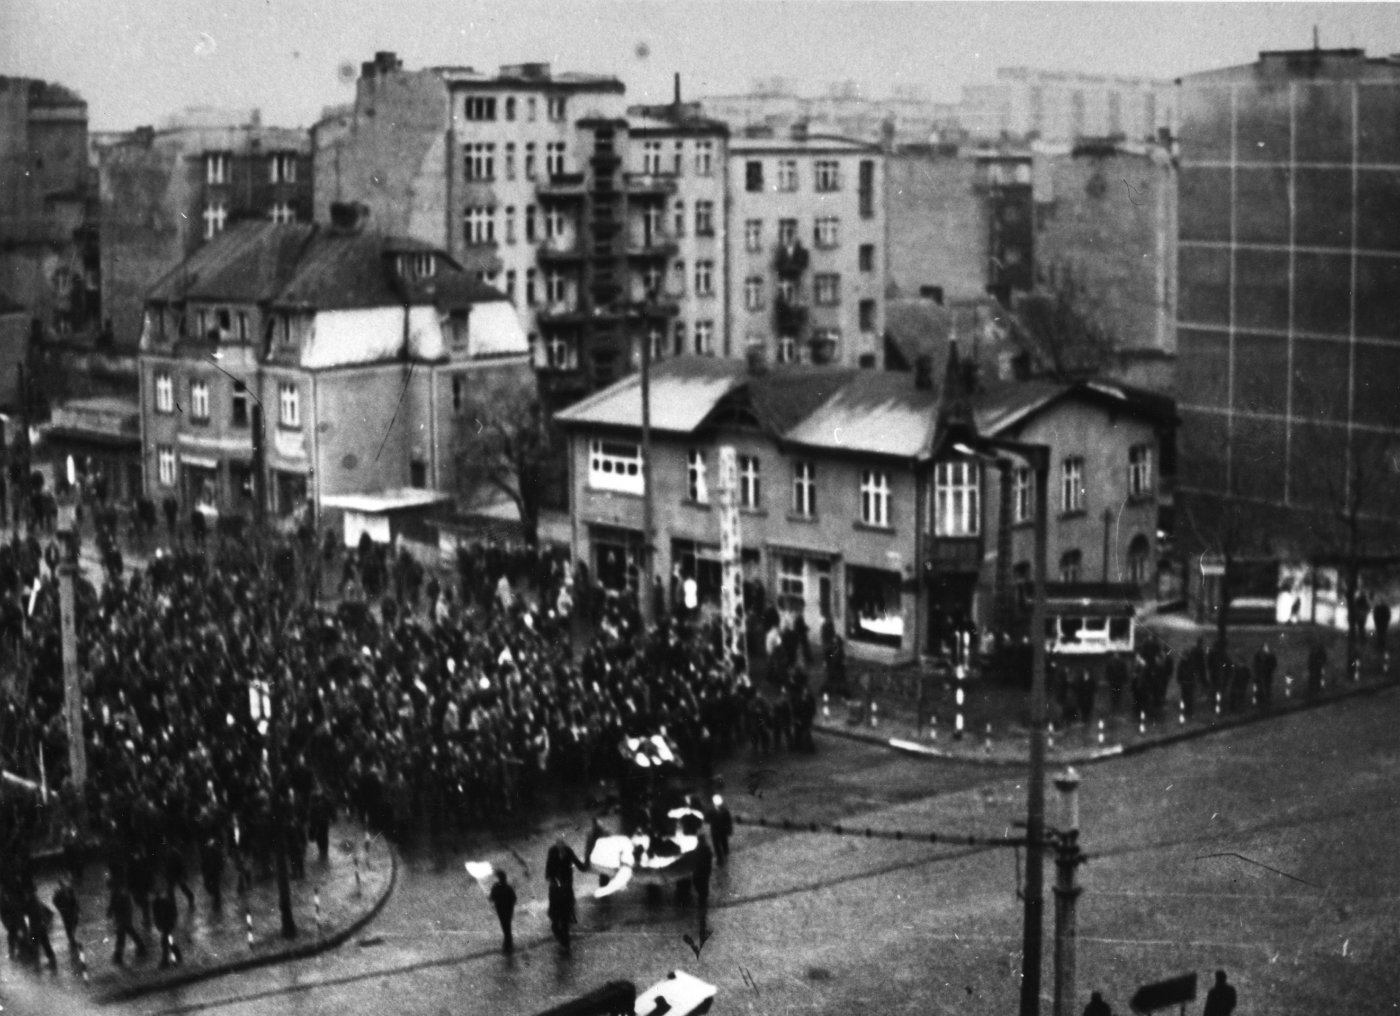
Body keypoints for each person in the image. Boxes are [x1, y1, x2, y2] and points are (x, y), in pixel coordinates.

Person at [544, 836, 588, 949]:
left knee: (563, 921)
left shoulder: (568, 851)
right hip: (559, 884)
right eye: (559, 845)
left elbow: (576, 862)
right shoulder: (553, 851)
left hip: (565, 882)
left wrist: (584, 866)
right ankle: (565, 941)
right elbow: (549, 864)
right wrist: (549, 876)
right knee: (560, 922)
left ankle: (565, 942)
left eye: (562, 845)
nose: (561, 848)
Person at [107, 877, 147, 965]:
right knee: (130, 933)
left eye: (111, 887)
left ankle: (119, 956)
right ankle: (141, 947)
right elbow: (112, 905)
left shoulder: (122, 894)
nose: (110, 889)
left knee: (121, 938)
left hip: (123, 919)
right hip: (122, 919)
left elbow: (126, 907)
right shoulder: (115, 894)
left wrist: (122, 918)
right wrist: (110, 912)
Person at [488, 869, 517, 953]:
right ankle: (508, 943)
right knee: (507, 925)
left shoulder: (496, 887)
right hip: (508, 909)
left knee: (505, 926)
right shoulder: (508, 887)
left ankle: (508, 944)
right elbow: (514, 898)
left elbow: (491, 898)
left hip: (500, 909)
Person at [152, 890, 181, 969]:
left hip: (167, 924)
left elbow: (172, 913)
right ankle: (177, 956)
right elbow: (156, 915)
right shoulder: (156, 903)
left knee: (164, 942)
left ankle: (165, 962)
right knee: (168, 942)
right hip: (165, 924)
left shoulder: (164, 902)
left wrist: (169, 923)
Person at [691, 834, 714, 934]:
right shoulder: (706, 850)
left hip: (696, 877)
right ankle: (702, 926)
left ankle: (702, 924)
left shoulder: (695, 851)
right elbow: (708, 864)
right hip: (703, 877)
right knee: (703, 901)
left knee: (701, 900)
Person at [52, 879, 80, 953]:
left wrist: (78, 909)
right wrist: (60, 909)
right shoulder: (58, 893)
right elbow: (54, 901)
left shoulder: (70, 889)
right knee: (68, 926)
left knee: (74, 923)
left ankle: (72, 937)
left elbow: (75, 900)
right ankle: (71, 939)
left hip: (72, 911)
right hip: (65, 913)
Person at [709, 794, 733, 867]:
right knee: (720, 844)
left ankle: (722, 857)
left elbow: (729, 821)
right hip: (719, 831)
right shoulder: (722, 811)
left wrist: (729, 829)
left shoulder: (720, 811)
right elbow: (729, 821)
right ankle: (722, 857)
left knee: (720, 844)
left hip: (719, 831)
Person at [1253, 641, 1277, 709]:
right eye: (1264, 647)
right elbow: (1255, 664)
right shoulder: (1258, 655)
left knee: (1267, 687)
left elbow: (1274, 664)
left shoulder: (1270, 656)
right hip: (1260, 674)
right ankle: (1261, 701)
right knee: (1260, 687)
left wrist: (1269, 669)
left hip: (1267, 674)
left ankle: (1267, 700)